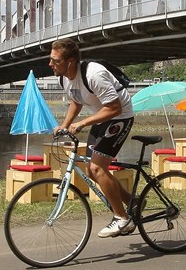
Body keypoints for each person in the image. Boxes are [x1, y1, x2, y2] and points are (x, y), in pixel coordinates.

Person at [49, 38, 136, 238]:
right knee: (92, 168)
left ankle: (122, 218)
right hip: (100, 118)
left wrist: (82, 123)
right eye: (51, 59)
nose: (50, 64)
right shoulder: (64, 77)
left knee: (97, 168)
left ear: (70, 62)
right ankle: (135, 202)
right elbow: (76, 101)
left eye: (55, 61)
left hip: (120, 116)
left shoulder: (94, 74)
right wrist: (64, 125)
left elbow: (115, 108)